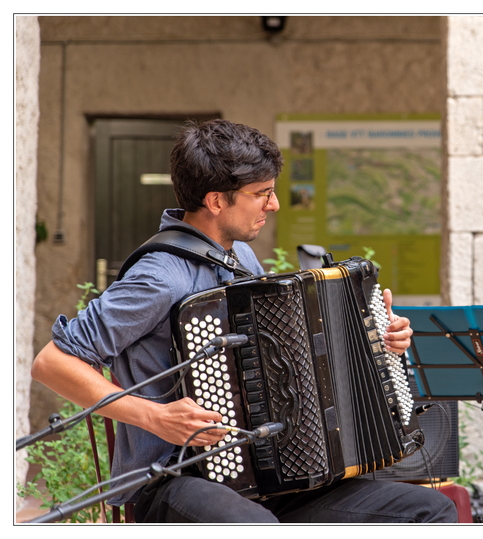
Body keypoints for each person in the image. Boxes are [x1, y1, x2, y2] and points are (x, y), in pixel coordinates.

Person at [31, 119, 457, 524]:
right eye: (261, 193)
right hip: (172, 479)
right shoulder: (158, 277)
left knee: (428, 510)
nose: (273, 204)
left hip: (263, 479)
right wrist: (154, 417)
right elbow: (52, 363)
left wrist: (375, 341)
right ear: (217, 201)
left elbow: (294, 361)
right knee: (253, 525)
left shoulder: (242, 258)